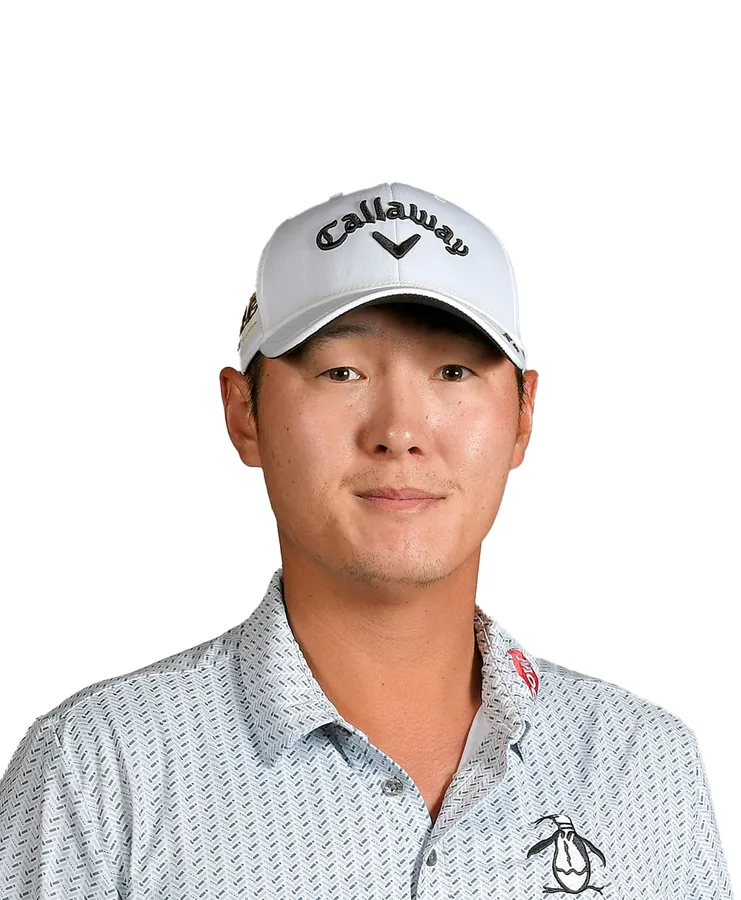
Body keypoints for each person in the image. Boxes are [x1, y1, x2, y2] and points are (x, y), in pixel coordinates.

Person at [0, 182, 732, 899]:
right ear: (244, 412)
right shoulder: (101, 769)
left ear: (523, 415)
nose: (399, 432)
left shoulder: (643, 767)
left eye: (453, 371)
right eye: (341, 371)